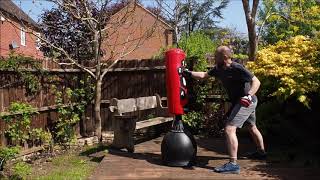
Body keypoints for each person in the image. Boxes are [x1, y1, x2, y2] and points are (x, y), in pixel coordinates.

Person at [184, 46, 266, 174]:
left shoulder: (237, 68)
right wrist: (188, 73)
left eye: (216, 55)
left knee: (229, 129)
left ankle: (233, 164)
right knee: (252, 127)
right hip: (240, 102)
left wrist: (249, 95)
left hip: (246, 102)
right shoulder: (218, 69)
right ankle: (261, 152)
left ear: (225, 57)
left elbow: (256, 82)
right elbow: (204, 75)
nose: (214, 57)